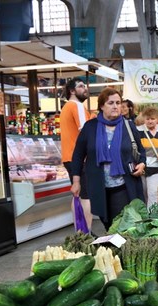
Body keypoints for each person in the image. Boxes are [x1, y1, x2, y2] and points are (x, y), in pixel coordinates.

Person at [70, 87, 147, 231]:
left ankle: (121, 249)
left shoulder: (128, 126)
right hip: (98, 186)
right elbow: (78, 155)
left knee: (120, 224)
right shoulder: (90, 127)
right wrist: (76, 182)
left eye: (118, 103)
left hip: (123, 184)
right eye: (111, 103)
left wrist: (142, 164)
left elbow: (141, 151)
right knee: (107, 222)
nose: (116, 106)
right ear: (101, 106)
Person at [60, 77, 94, 232]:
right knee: (86, 196)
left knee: (77, 195)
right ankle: (86, 232)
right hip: (80, 157)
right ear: (72, 91)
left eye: (85, 86)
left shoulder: (65, 107)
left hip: (69, 157)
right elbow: (85, 130)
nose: (85, 89)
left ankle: (79, 230)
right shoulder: (77, 106)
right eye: (81, 86)